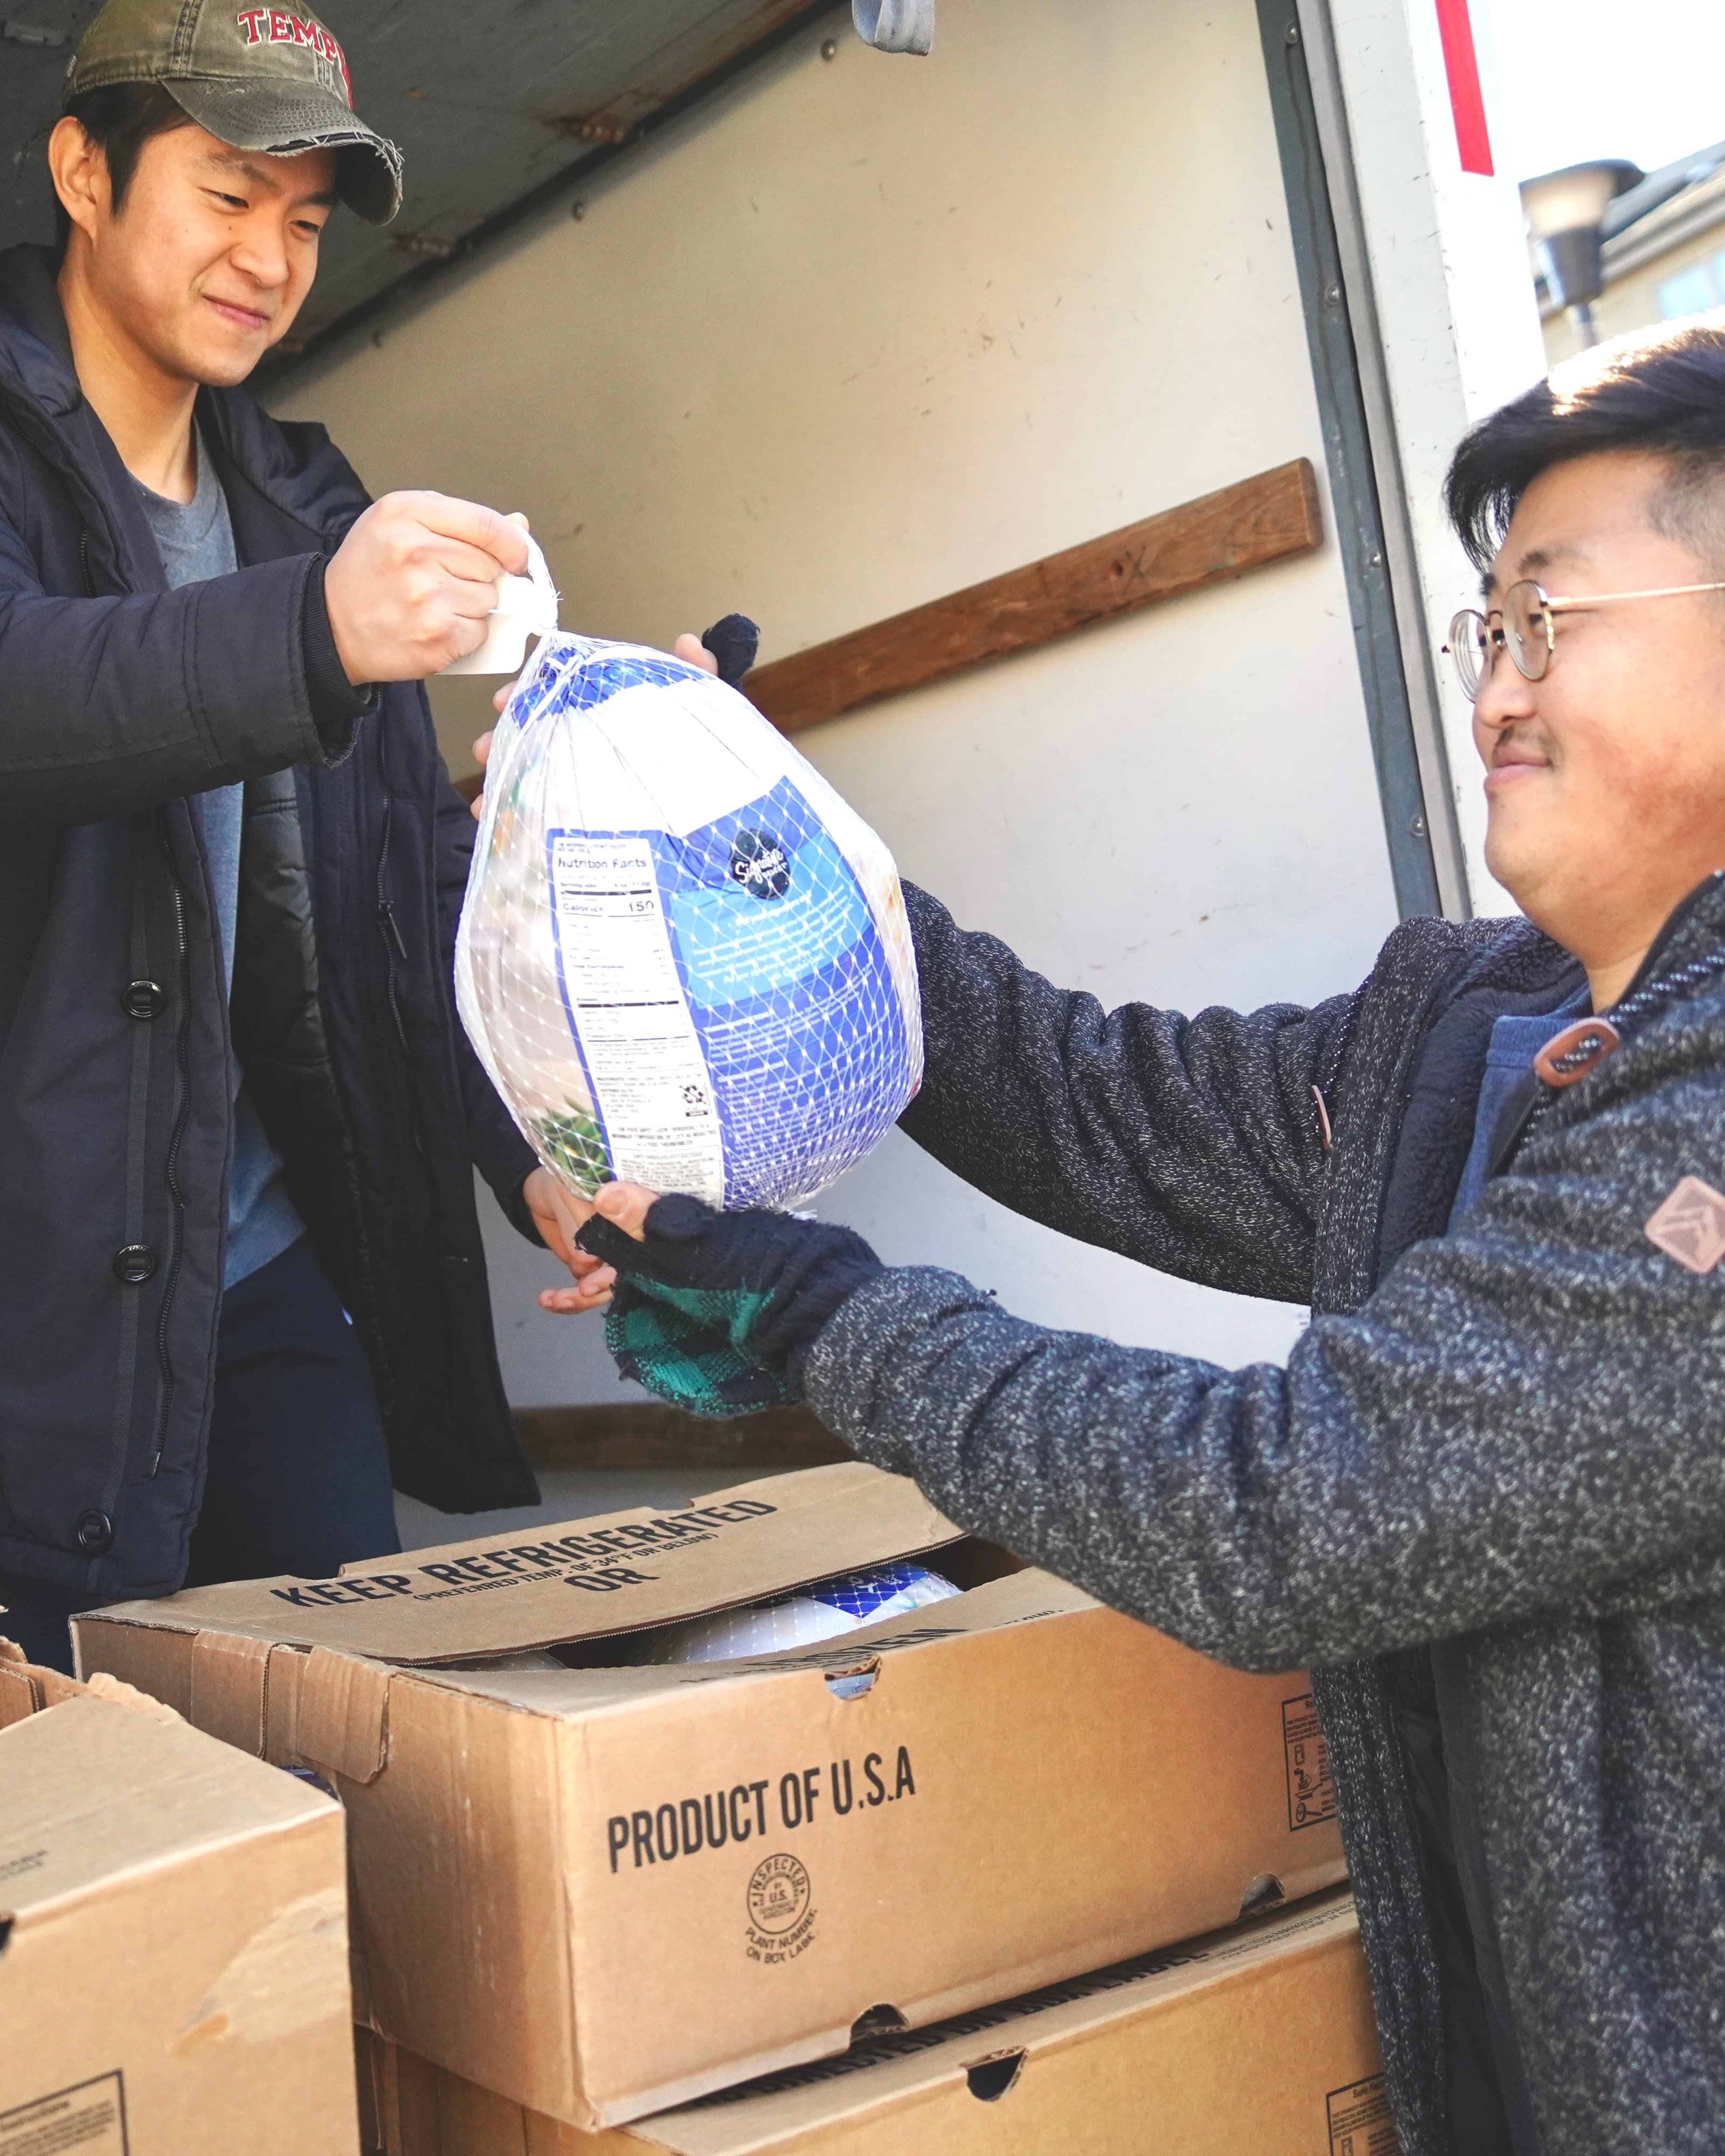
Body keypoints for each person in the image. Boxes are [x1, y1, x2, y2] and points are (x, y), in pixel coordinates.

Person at [509, 320, 1725, 2153]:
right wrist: (764, 849)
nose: (1493, 693)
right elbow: (1092, 1101)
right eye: (1490, 630)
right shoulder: (1473, 1025)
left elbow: (1294, 1511)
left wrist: (820, 1310)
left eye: (1553, 620)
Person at [0, 0, 596, 1671]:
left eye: (306, 222)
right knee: (80, 1855)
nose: (270, 258)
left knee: (366, 1773)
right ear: (85, 174)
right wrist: (310, 635)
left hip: (256, 1270)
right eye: (226, 194)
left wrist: (536, 1156)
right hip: (30, 1301)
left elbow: (398, 892)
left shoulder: (307, 504)